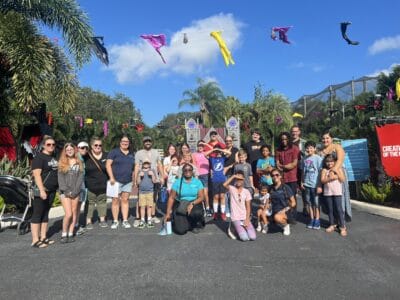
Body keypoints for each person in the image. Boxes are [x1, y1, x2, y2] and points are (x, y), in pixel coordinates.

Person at [30, 135, 59, 248]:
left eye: (53, 144)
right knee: (37, 214)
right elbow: (37, 175)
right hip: (42, 190)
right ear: (43, 146)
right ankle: (35, 240)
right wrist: (42, 190)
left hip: (51, 190)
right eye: (48, 144)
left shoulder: (53, 157)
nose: (51, 146)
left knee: (46, 214)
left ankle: (43, 237)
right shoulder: (39, 158)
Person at [318, 130, 352, 221]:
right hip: (325, 177)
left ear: (331, 139)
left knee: (340, 199)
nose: (325, 140)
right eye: (323, 138)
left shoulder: (337, 147)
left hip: (338, 174)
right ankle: (333, 221)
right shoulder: (320, 151)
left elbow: (340, 160)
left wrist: (333, 171)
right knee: (328, 200)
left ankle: (341, 221)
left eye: (327, 138)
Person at [164, 163, 205, 235]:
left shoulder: (197, 182)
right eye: (185, 170)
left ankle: (195, 224)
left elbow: (202, 197)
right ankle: (183, 221)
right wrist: (168, 213)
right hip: (181, 203)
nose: (187, 171)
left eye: (189, 170)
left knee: (197, 212)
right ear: (183, 172)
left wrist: (192, 204)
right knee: (181, 231)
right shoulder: (177, 182)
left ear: (192, 171)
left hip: (194, 203)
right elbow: (171, 198)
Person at [134, 136, 164, 227]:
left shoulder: (156, 152)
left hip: (154, 179)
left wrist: (162, 176)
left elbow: (159, 164)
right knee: (140, 198)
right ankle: (138, 218)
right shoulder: (139, 153)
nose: (147, 142)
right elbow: (136, 166)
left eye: (149, 141)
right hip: (143, 179)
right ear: (143, 143)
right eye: (146, 141)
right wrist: (136, 179)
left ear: (151, 142)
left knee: (153, 198)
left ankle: (152, 216)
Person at [106, 135, 135, 229]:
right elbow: (108, 165)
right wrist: (111, 177)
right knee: (115, 200)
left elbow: (134, 168)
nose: (125, 143)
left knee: (125, 200)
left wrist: (134, 180)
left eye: (127, 141)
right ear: (120, 142)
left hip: (128, 181)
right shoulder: (114, 152)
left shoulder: (132, 154)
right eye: (123, 141)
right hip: (115, 181)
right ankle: (115, 221)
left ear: (129, 143)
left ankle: (125, 220)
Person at [58, 142, 84, 243]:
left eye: (71, 149)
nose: (69, 151)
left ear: (74, 150)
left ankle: (70, 233)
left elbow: (80, 178)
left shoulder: (79, 162)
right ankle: (64, 234)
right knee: (68, 214)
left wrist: (75, 191)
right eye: (67, 150)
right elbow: (60, 179)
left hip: (75, 192)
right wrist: (67, 191)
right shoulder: (62, 162)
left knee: (73, 213)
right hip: (64, 192)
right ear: (65, 151)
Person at [223, 171, 256, 241]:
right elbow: (224, 184)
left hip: (244, 217)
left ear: (243, 180)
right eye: (237, 179)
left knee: (253, 237)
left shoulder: (246, 191)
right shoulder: (232, 189)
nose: (238, 181)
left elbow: (248, 207)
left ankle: (239, 227)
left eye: (240, 179)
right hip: (235, 217)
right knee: (244, 238)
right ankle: (232, 227)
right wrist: (234, 176)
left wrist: (247, 219)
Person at [84, 137, 108, 229]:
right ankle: (88, 221)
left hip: (103, 184)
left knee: (102, 202)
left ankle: (102, 220)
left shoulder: (106, 155)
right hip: (90, 185)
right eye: (96, 145)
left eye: (100, 145)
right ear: (91, 146)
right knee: (90, 203)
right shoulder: (86, 156)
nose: (98, 147)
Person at [320, 154, 347, 236]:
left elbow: (342, 179)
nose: (329, 163)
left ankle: (342, 227)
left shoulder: (339, 169)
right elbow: (322, 181)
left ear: (335, 162)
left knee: (339, 210)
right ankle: (332, 224)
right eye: (327, 161)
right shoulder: (324, 170)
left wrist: (337, 173)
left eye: (331, 161)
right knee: (330, 210)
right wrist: (330, 178)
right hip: (328, 193)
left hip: (337, 193)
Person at [301, 141, 323, 230]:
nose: (309, 149)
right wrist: (302, 182)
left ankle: (317, 220)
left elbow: (321, 172)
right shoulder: (304, 159)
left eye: (311, 148)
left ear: (314, 149)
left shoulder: (318, 158)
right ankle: (312, 219)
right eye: (307, 148)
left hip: (315, 185)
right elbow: (303, 171)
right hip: (307, 184)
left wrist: (319, 185)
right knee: (309, 203)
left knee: (316, 203)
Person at [269, 169, 296, 236]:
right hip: (274, 210)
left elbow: (293, 202)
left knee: (277, 217)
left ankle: (286, 225)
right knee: (260, 212)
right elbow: (269, 200)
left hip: (286, 211)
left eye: (277, 175)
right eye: (273, 175)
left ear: (280, 176)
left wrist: (284, 210)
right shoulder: (270, 188)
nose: (275, 177)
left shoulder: (286, 187)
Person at [209, 148, 231, 221]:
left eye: (219, 152)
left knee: (222, 196)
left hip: (222, 180)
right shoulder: (212, 159)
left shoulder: (223, 158)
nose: (218, 153)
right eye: (217, 152)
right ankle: (215, 213)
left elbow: (229, 153)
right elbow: (205, 154)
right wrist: (214, 149)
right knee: (215, 197)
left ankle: (223, 213)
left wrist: (220, 150)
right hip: (215, 180)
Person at [192, 140, 211, 216]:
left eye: (202, 146)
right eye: (199, 145)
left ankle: (208, 208)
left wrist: (205, 144)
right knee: (199, 193)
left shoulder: (206, 153)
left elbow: (212, 148)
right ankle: (201, 209)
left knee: (206, 193)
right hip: (198, 175)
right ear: (197, 146)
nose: (200, 147)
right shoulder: (194, 154)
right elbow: (194, 164)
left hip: (205, 175)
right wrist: (196, 175)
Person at [137, 159, 157, 229]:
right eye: (145, 163)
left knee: (149, 206)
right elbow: (138, 182)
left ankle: (149, 219)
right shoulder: (140, 171)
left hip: (150, 191)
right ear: (142, 164)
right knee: (142, 206)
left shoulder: (152, 171)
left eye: (147, 163)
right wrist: (139, 176)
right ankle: (142, 220)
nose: (146, 165)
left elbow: (154, 181)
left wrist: (152, 175)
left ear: (149, 164)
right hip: (141, 192)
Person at [75, 141, 89, 235]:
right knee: (75, 206)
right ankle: (74, 225)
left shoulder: (82, 158)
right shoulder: (76, 158)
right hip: (76, 185)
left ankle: (76, 224)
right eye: (82, 148)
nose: (84, 149)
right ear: (78, 148)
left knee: (78, 205)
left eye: (86, 148)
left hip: (81, 183)